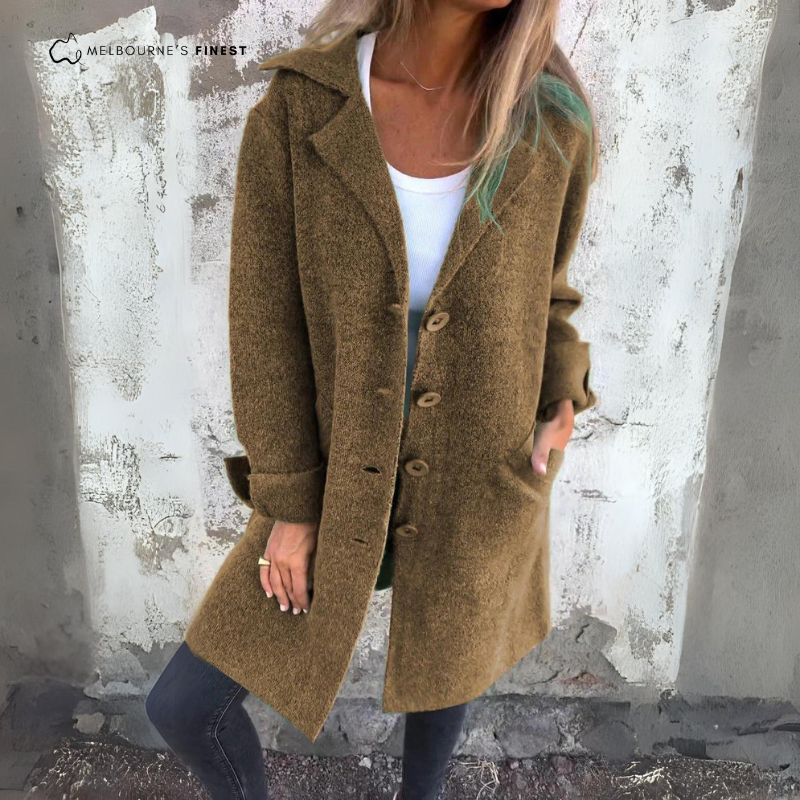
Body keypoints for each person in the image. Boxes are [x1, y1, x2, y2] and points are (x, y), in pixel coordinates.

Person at [146, 0, 599, 797]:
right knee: (184, 705)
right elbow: (265, 325)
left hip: (480, 468)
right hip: (335, 470)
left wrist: (561, 396)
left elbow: (550, 295)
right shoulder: (301, 111)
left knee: (444, 666)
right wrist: (291, 506)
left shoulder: (549, 124)